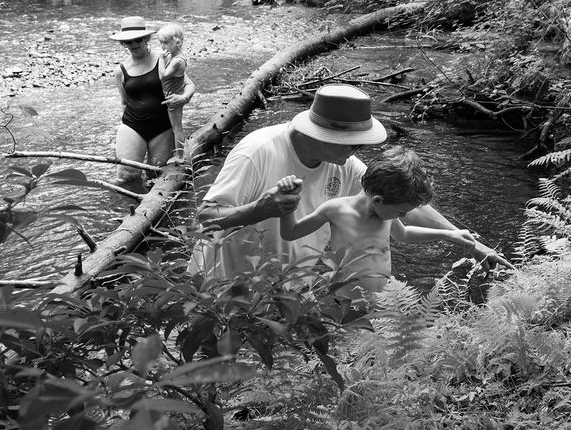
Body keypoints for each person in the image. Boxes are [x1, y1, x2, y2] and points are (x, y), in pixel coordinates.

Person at [189, 84, 512, 279]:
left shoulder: (344, 163)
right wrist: (261, 209)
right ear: (324, 134)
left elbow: (406, 204)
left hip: (288, 289)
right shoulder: (258, 152)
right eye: (356, 143)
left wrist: (473, 244)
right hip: (226, 284)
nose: (362, 150)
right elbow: (205, 221)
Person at [276, 146, 476, 298]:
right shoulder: (335, 210)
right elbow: (290, 232)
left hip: (382, 299)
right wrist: (288, 202)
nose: (402, 216)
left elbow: (403, 234)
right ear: (378, 200)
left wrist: (448, 234)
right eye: (400, 211)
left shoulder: (386, 215)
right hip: (344, 301)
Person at [110, 16, 173, 190]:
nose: (134, 45)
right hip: (132, 125)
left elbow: (181, 87)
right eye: (128, 42)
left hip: (163, 126)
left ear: (146, 38)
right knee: (126, 176)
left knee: (156, 176)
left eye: (137, 40)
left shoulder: (163, 58)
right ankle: (125, 212)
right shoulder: (121, 70)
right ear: (124, 44)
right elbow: (124, 101)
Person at [156, 22, 196, 155]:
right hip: (169, 94)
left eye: (166, 43)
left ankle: (180, 156)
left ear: (177, 43)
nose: (162, 47)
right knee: (173, 127)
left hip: (174, 97)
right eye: (161, 42)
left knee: (177, 128)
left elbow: (163, 76)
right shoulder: (172, 55)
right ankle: (176, 152)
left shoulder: (178, 60)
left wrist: (161, 59)